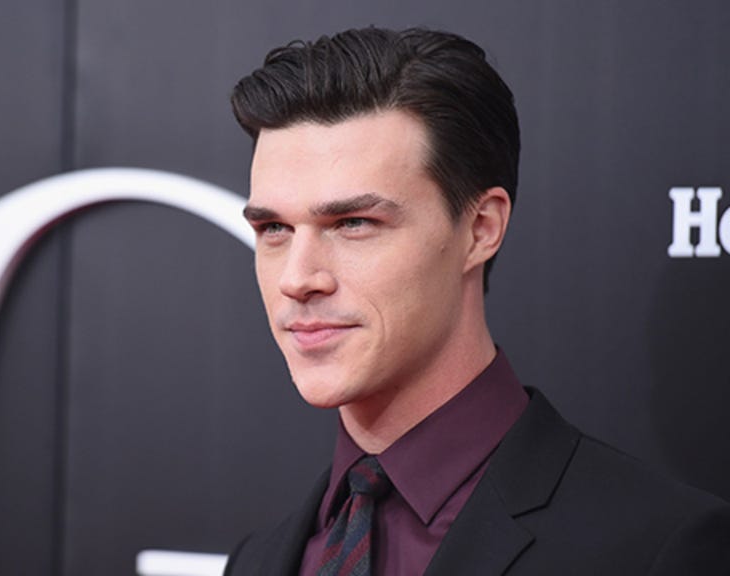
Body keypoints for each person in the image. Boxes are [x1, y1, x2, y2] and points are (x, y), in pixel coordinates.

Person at [223, 27, 730, 576]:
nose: (297, 279)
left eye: (353, 223)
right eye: (274, 229)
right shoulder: (257, 560)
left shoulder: (658, 549)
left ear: (481, 228)